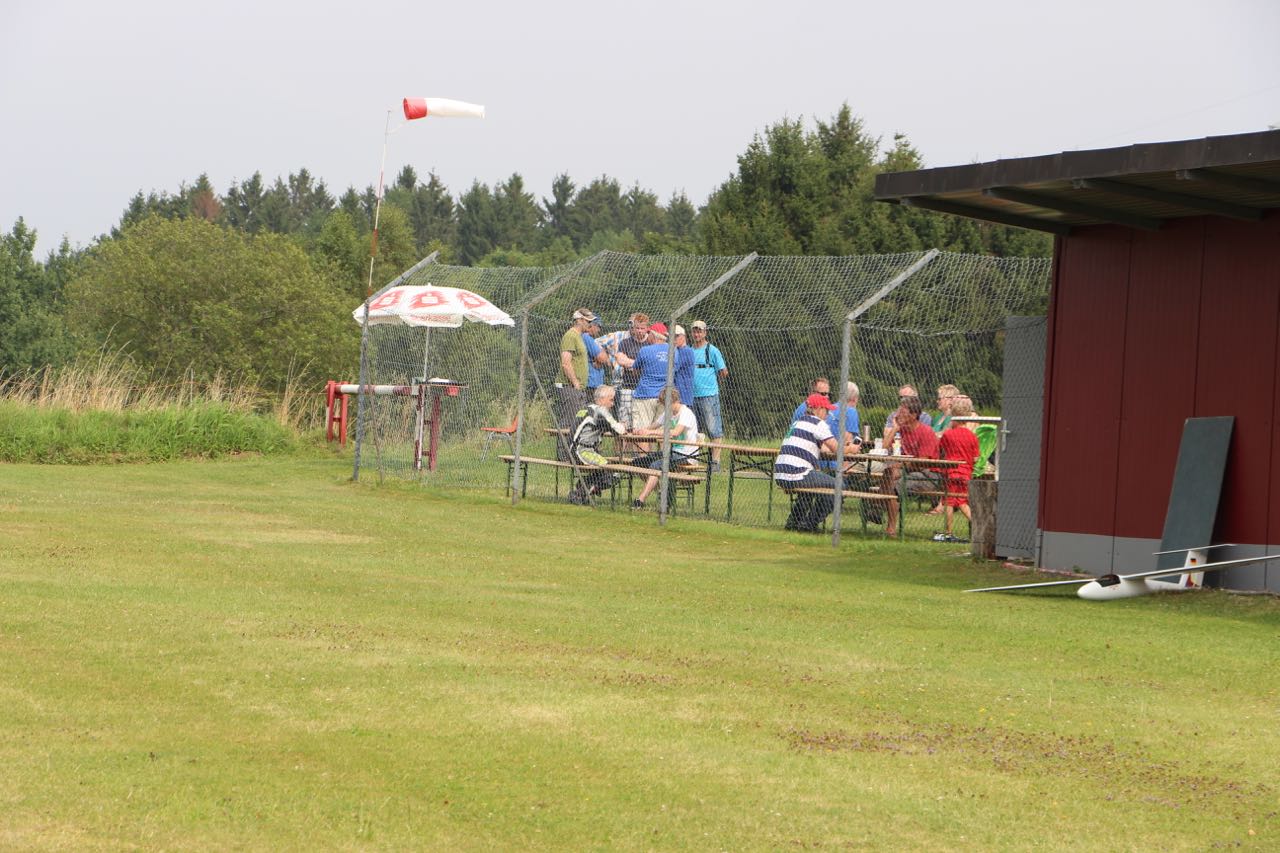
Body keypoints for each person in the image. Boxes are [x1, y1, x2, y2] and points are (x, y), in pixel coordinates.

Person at [774, 393, 843, 533]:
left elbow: (822, 447)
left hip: (780, 474)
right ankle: (809, 524)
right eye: (826, 410)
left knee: (811, 488)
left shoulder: (798, 422)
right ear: (818, 409)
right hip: (797, 473)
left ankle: (794, 522)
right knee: (840, 485)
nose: (828, 415)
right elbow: (837, 449)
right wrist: (851, 448)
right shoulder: (818, 423)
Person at [629, 388, 699, 510]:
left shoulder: (686, 413)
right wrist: (640, 431)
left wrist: (651, 433)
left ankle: (640, 500)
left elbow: (675, 432)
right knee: (638, 463)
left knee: (656, 465)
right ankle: (661, 492)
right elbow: (653, 427)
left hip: (686, 455)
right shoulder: (668, 413)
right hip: (672, 453)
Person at [881, 396, 941, 537]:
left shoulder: (926, 432)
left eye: (902, 412)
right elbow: (884, 447)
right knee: (889, 472)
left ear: (914, 415)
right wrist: (895, 428)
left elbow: (923, 462)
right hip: (910, 470)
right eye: (899, 411)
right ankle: (877, 508)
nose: (898, 414)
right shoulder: (902, 430)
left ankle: (890, 527)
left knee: (894, 485)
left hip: (929, 475)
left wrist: (902, 466)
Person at [567, 385, 628, 505]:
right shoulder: (600, 411)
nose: (612, 404)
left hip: (573, 450)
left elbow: (608, 427)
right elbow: (619, 430)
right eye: (611, 400)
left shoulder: (586, 408)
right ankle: (582, 492)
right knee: (614, 474)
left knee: (603, 471)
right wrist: (623, 426)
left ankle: (584, 485)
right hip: (581, 451)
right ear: (601, 399)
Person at [933, 396, 980, 542]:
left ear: (954, 416)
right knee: (962, 501)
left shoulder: (948, 434)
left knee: (949, 501)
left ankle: (948, 532)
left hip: (952, 472)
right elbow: (976, 458)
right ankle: (979, 525)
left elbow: (941, 450)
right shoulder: (972, 436)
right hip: (966, 473)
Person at [629, 322, 690, 431]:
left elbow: (635, 372)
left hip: (644, 395)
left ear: (654, 335)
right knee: (660, 432)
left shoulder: (645, 350)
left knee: (641, 431)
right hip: (664, 395)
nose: (647, 335)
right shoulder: (673, 350)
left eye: (649, 333)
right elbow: (674, 369)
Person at [556, 307, 596, 460]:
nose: (590, 324)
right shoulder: (570, 336)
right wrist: (575, 382)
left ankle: (572, 453)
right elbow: (566, 363)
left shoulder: (580, 336)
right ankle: (563, 456)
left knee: (577, 420)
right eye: (587, 321)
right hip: (570, 387)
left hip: (578, 387)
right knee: (568, 420)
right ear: (579, 320)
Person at [689, 320, 728, 471]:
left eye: (699, 331)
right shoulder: (689, 350)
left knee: (713, 429)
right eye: (694, 331)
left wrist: (711, 381)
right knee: (695, 430)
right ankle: (693, 460)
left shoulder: (712, 350)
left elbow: (723, 371)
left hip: (709, 395)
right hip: (691, 395)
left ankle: (715, 462)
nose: (697, 334)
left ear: (705, 333)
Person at [606, 312, 653, 430]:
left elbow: (651, 365)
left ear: (647, 328)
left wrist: (631, 363)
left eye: (642, 328)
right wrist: (640, 365)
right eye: (637, 328)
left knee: (642, 425)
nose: (640, 331)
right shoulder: (625, 343)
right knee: (625, 424)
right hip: (627, 387)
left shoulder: (650, 344)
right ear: (633, 327)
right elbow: (620, 360)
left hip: (645, 389)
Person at [881, 384, 933, 451]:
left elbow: (921, 439)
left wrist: (896, 433)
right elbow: (886, 436)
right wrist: (895, 429)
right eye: (901, 397)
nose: (903, 400)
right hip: (895, 451)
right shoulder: (894, 415)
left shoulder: (925, 417)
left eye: (906, 398)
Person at [583, 318, 610, 395]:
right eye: (599, 327)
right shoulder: (587, 337)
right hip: (591, 382)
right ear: (593, 325)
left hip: (594, 382)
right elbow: (603, 358)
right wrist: (603, 351)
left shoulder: (589, 338)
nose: (599, 330)